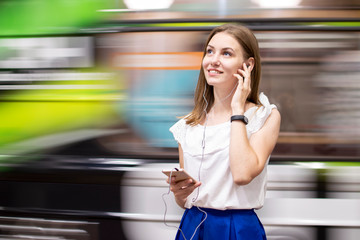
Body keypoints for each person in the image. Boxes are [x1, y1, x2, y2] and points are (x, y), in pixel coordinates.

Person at [167, 24, 281, 240]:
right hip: (193, 224)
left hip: (238, 227)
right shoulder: (187, 125)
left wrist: (237, 111)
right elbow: (186, 200)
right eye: (210, 51)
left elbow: (242, 174)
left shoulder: (264, 116)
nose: (213, 60)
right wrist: (180, 194)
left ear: (247, 65)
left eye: (226, 53)